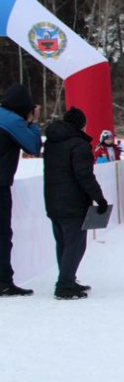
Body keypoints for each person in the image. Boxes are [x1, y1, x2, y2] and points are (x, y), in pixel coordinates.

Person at [42, 107, 107, 300]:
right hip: (73, 203)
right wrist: (99, 198)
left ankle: (67, 278)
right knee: (76, 244)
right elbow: (84, 175)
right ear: (81, 124)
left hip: (53, 200)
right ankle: (64, 285)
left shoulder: (52, 143)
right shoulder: (78, 145)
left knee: (62, 242)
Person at [0, 85, 42, 296]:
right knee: (2, 235)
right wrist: (33, 123)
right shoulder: (12, 121)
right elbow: (33, 147)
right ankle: (4, 282)